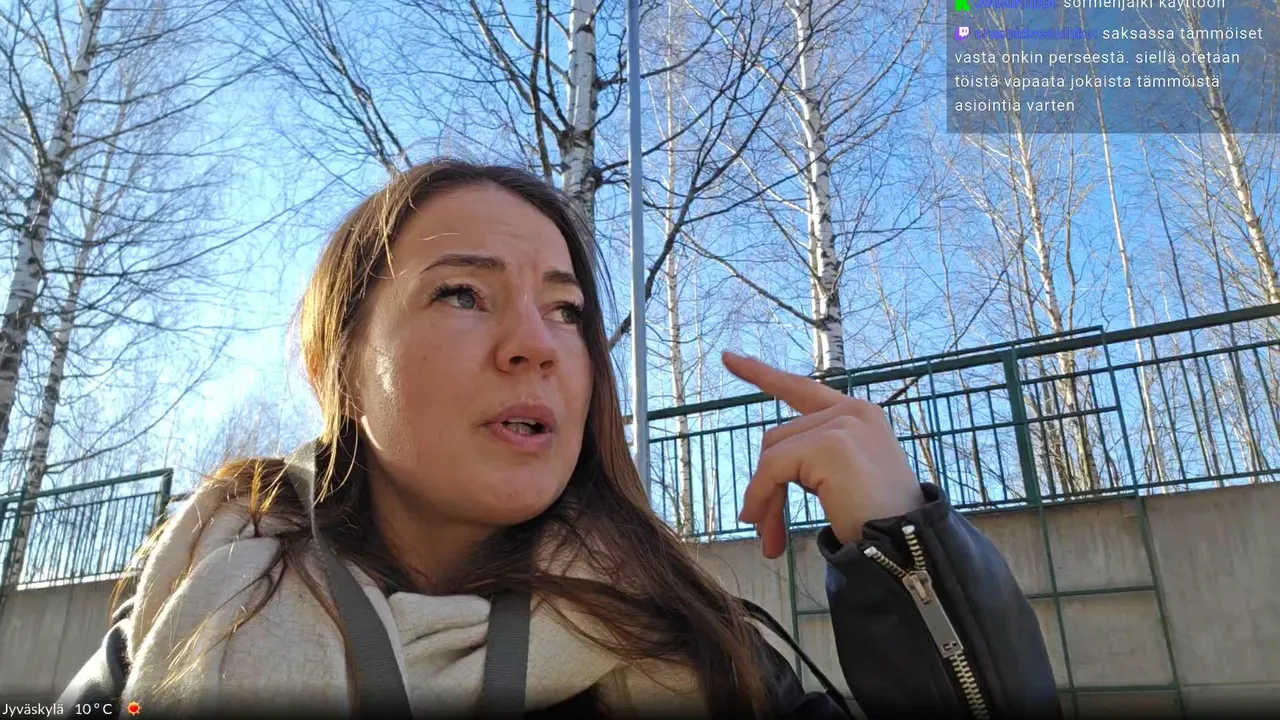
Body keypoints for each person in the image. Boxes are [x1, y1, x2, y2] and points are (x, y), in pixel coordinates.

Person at [58, 159, 1059, 719]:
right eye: (463, 293)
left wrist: (907, 557)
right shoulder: (186, 612)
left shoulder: (708, 656)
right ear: (338, 370)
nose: (535, 344)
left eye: (568, 310)